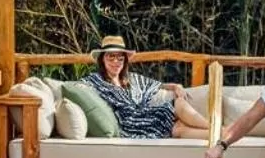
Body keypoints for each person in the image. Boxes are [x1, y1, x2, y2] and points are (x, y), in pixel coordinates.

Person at [81, 34, 209, 139]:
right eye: (111, 57)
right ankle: (214, 129)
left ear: (125, 61)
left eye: (120, 58)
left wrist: (177, 86)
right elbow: (75, 88)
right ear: (102, 59)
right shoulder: (95, 80)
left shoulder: (132, 79)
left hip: (145, 117)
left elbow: (159, 85)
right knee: (178, 106)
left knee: (179, 127)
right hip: (127, 125)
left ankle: (219, 134)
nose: (116, 62)